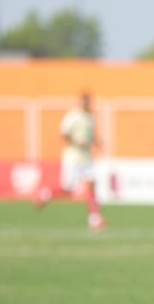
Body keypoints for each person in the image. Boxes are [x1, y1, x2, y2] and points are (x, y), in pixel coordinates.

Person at [35, 91, 106, 231]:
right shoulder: (73, 116)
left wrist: (97, 142)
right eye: (84, 101)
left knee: (91, 185)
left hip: (87, 158)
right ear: (80, 102)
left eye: (89, 101)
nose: (87, 104)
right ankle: (46, 194)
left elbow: (91, 137)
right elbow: (63, 135)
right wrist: (77, 143)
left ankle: (94, 220)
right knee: (68, 190)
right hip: (73, 158)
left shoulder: (91, 118)